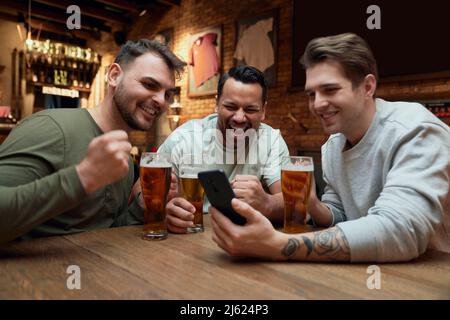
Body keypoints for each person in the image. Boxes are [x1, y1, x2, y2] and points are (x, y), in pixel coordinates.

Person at [210, 33, 450, 262]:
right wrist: (313, 203)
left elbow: (401, 231)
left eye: (330, 90)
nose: (317, 104)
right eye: (311, 94)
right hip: (368, 271)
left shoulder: (415, 130)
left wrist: (276, 244)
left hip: (432, 274)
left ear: (367, 87)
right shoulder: (333, 145)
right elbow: (339, 214)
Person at [0, 39, 186, 243]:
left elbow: (104, 231)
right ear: (114, 76)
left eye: (167, 94)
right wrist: (82, 178)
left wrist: (142, 208)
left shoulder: (123, 158)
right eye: (149, 85)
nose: (161, 100)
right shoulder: (51, 128)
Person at [158, 65, 289, 233]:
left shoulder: (270, 140)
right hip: (189, 236)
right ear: (217, 104)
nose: (240, 118)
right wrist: (165, 209)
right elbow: (141, 190)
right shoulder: (186, 137)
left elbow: (294, 203)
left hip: (245, 239)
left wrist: (267, 203)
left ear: (263, 110)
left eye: (250, 109)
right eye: (231, 107)